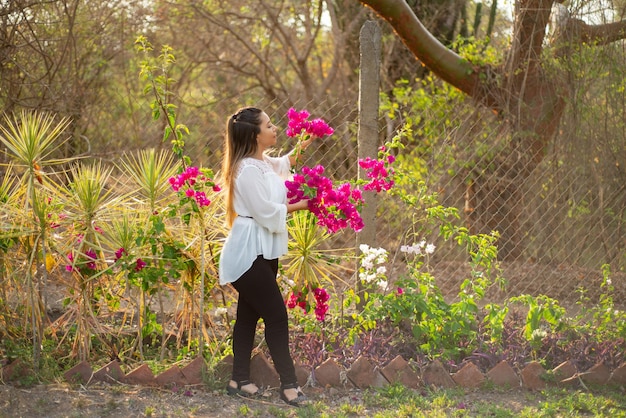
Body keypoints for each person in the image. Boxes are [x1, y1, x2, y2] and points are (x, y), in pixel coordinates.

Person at [218, 107, 314, 406]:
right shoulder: (246, 170)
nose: (275, 129)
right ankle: (289, 386)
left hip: (264, 250)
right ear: (255, 134)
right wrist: (303, 205)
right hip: (248, 253)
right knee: (276, 316)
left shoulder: (261, 163)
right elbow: (264, 212)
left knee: (248, 317)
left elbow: (284, 165)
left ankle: (238, 380)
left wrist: (306, 143)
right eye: (269, 125)